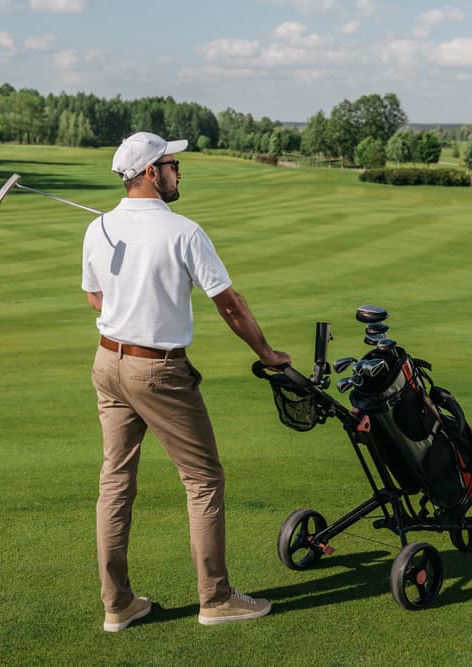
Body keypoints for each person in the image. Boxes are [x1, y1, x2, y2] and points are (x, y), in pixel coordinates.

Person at [82, 132, 292, 632]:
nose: (179, 173)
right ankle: (216, 599)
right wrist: (267, 353)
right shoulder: (184, 231)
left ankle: (118, 605)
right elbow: (229, 304)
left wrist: (133, 304)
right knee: (203, 480)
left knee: (115, 482)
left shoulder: (100, 229)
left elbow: (96, 300)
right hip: (159, 371)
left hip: (108, 363)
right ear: (151, 173)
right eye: (173, 165)